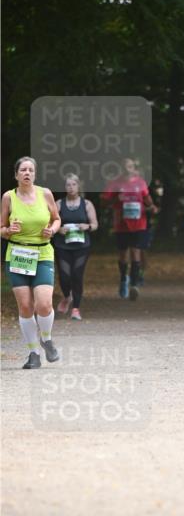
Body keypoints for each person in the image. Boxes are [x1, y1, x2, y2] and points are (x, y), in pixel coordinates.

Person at [1, 156, 61, 368]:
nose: (27, 173)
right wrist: (8, 230)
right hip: (18, 254)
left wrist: (52, 230)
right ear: (16, 175)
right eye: (23, 170)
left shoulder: (45, 194)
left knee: (44, 304)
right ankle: (33, 354)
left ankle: (46, 338)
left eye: (30, 170)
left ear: (35, 174)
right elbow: (1, 228)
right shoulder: (8, 197)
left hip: (43, 253)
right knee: (25, 306)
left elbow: (56, 218)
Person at [101, 157, 158, 300]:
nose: (128, 169)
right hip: (121, 225)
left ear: (134, 168)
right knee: (123, 255)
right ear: (121, 168)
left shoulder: (141, 183)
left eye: (131, 166)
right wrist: (115, 199)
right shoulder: (114, 183)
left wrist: (152, 207)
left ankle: (134, 284)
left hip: (139, 224)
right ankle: (123, 279)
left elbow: (147, 199)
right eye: (125, 166)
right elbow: (103, 202)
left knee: (135, 252)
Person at [54, 174, 98, 320]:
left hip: (82, 246)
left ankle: (76, 309)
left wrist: (87, 226)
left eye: (74, 184)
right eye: (68, 185)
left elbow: (95, 224)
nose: (71, 187)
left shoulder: (87, 204)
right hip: (62, 245)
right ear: (65, 187)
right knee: (65, 276)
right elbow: (50, 223)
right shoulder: (59, 204)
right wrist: (59, 229)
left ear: (79, 186)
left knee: (77, 275)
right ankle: (67, 296)